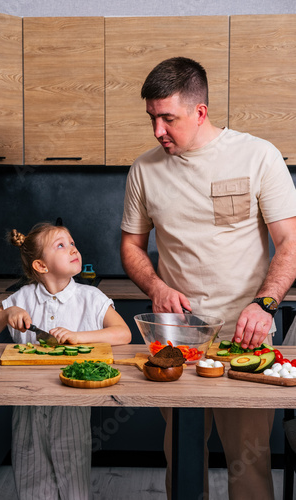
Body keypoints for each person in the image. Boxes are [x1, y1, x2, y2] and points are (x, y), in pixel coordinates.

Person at [120, 57, 296, 499]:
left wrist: (266, 304)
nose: (157, 130)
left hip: (247, 338)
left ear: (200, 112)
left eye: (168, 118)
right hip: (178, 343)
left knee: (250, 460)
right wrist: (157, 286)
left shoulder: (257, 155)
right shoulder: (144, 169)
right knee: (180, 456)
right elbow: (131, 247)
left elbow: (290, 243)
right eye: (152, 118)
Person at [0, 222, 131, 500]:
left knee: (74, 484)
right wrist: (6, 313)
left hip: (72, 406)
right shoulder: (23, 297)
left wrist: (78, 336)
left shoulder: (91, 297)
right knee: (31, 481)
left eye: (72, 242)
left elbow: (123, 333)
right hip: (27, 406)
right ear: (41, 265)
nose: (73, 248)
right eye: (61, 245)